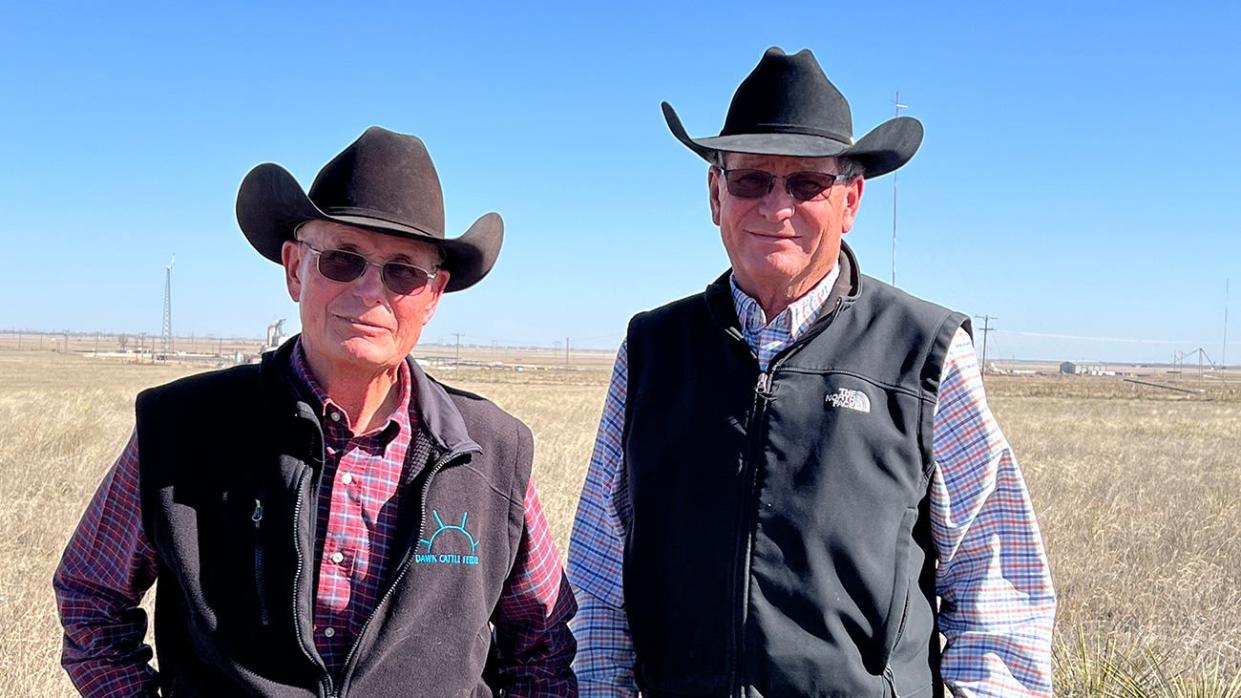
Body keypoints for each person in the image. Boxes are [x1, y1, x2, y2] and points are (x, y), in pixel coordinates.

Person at [568, 48, 1055, 697]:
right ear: (715, 194)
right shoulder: (653, 348)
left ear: (849, 200)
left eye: (806, 184)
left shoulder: (924, 350)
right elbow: (598, 581)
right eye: (750, 181)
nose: (776, 206)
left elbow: (995, 594)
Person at [54, 126, 577, 697]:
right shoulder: (184, 427)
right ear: (295, 269)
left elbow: (541, 645)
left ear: (432, 296)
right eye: (343, 261)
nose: (370, 292)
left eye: (403, 272)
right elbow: (92, 597)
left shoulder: (494, 452)